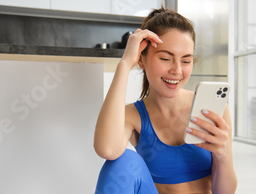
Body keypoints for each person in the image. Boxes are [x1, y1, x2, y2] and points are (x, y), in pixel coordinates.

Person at [94, 7, 237, 194]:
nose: (177, 70)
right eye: (165, 58)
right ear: (142, 60)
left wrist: (223, 155)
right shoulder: (133, 116)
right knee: (123, 161)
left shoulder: (214, 111)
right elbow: (107, 149)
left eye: (186, 61)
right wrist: (124, 64)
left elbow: (225, 192)